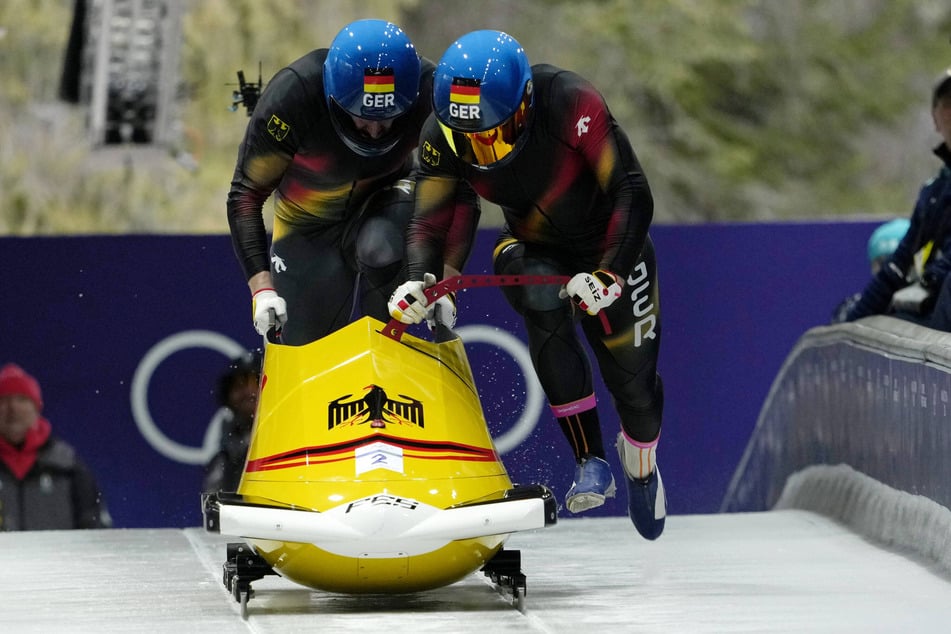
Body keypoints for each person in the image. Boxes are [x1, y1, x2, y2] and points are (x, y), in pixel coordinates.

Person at [388, 31, 666, 540]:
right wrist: (417, 280)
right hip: (531, 245)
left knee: (636, 388)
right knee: (539, 294)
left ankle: (640, 464)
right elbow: (428, 220)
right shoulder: (441, 133)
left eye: (493, 134)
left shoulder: (571, 102)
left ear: (525, 107)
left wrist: (611, 272)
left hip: (609, 247)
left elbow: (631, 191)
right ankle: (589, 460)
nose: (483, 150)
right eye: (469, 139)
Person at [227, 19, 456, 346]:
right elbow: (246, 195)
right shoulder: (294, 96)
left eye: (389, 117)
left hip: (387, 202)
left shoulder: (432, 90)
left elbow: (457, 184)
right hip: (306, 229)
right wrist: (261, 290)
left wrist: (443, 284)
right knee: (303, 351)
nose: (375, 131)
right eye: (363, 116)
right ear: (334, 97)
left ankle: (388, 348)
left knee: (380, 243)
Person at [844, 68, 951, 330]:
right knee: (872, 322)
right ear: (935, 118)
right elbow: (896, 268)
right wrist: (848, 328)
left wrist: (929, 283)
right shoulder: (934, 192)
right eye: (949, 104)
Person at [0, 363, 112, 531]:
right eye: (3, 400)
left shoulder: (67, 465)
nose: (13, 408)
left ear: (37, 408)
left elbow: (95, 528)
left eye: (22, 400)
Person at [202, 350, 262, 494]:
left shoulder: (291, 430)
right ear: (228, 396)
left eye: (257, 382)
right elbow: (214, 495)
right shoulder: (223, 444)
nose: (249, 391)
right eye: (240, 385)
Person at [832, 218, 910, 323]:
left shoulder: (928, 311)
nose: (892, 272)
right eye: (882, 263)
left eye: (904, 263)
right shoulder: (850, 310)